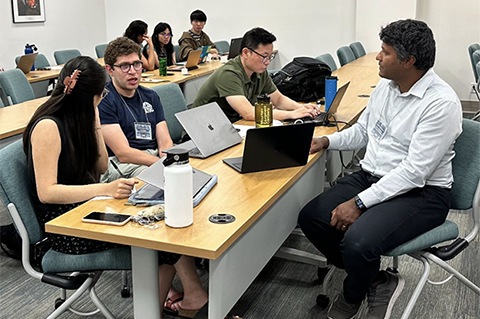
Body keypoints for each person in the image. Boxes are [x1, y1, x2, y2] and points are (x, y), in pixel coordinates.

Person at [298, 19, 462, 319]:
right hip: (372, 176)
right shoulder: (387, 87)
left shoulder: (441, 103)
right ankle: (376, 280)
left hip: (423, 194)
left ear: (408, 60)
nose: (377, 57)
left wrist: (360, 203)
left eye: (385, 52)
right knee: (312, 218)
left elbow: (415, 172)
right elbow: (363, 132)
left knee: (358, 242)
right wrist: (326, 141)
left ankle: (353, 294)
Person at [22, 56, 208, 318]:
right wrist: (104, 190)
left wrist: (95, 120)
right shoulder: (48, 127)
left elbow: (99, 168)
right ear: (93, 95)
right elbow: (47, 192)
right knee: (162, 243)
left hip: (87, 206)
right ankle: (184, 301)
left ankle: (183, 300)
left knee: (165, 229)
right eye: (101, 95)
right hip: (64, 225)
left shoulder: (80, 118)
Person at [192, 27, 320, 123]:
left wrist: (302, 108)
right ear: (246, 52)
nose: (268, 62)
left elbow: (278, 99)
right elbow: (248, 113)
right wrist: (291, 114)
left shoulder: (259, 71)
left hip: (230, 127)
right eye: (264, 57)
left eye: (270, 57)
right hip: (201, 133)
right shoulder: (229, 74)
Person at [98, 36, 174, 183]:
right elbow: (123, 153)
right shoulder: (104, 100)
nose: (133, 71)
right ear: (110, 70)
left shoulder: (151, 96)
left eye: (137, 64)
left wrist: (167, 159)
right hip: (123, 163)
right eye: (125, 66)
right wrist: (160, 164)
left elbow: (164, 139)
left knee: (184, 170)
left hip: (153, 157)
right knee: (159, 180)